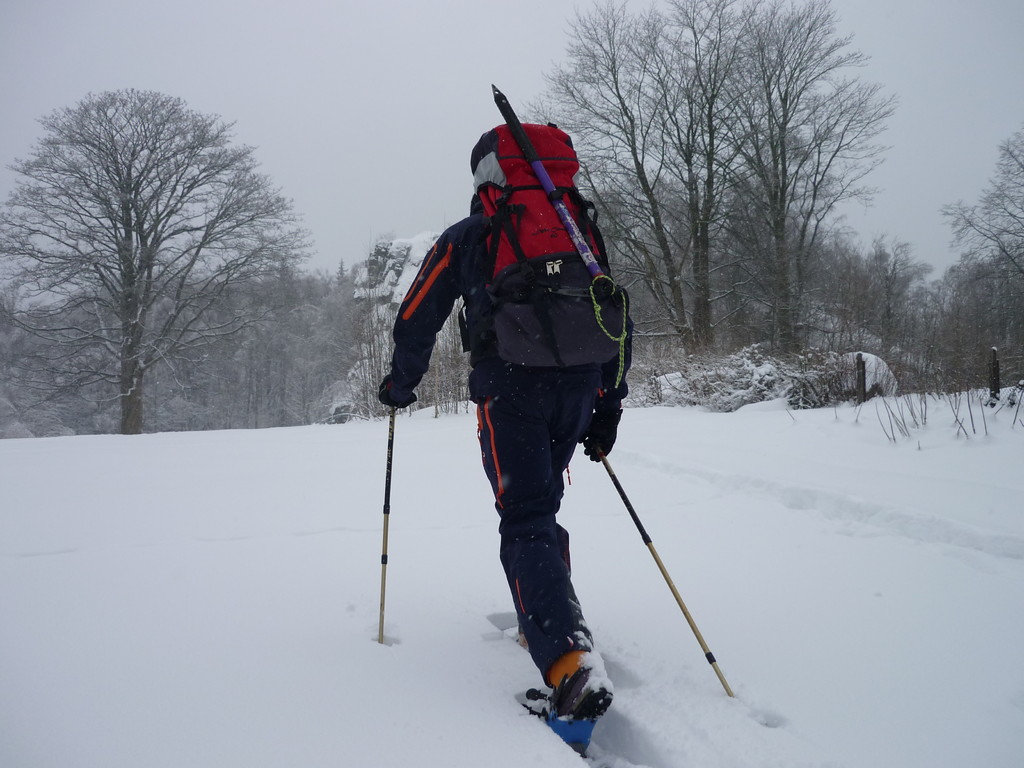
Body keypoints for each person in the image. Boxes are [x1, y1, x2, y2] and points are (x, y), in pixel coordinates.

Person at [377, 127, 631, 727]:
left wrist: (399, 384)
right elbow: (614, 314)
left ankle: (569, 663)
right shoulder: (578, 229)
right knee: (540, 509)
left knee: (526, 518)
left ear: (485, 177)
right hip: (578, 387)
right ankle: (542, 618)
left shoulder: (472, 236)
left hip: (510, 388)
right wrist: (607, 405)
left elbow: (418, 316)